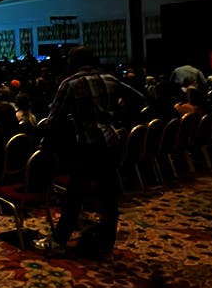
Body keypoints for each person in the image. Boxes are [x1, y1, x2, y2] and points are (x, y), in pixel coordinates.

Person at [37, 46, 141, 258]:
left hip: (87, 144)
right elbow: (139, 97)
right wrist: (117, 116)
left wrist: (45, 140)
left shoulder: (70, 83)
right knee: (109, 195)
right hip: (111, 141)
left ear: (73, 63)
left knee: (74, 195)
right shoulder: (110, 78)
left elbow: (54, 120)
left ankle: (59, 240)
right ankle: (106, 242)